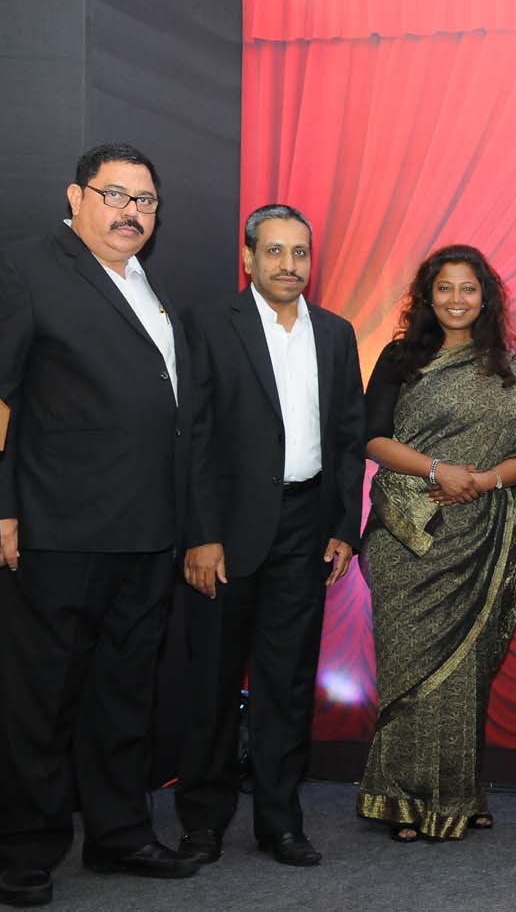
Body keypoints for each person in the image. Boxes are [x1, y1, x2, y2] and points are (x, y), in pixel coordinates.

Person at [0, 142, 199, 906]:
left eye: (145, 200)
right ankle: (24, 852)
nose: (132, 212)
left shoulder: (148, 284)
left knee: (125, 694)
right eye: (115, 194)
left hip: (148, 531)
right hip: (55, 531)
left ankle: (119, 832)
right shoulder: (22, 270)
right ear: (76, 196)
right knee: (40, 697)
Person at [174, 204, 365, 868]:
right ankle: (202, 821)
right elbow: (193, 433)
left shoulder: (336, 333)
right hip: (225, 533)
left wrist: (343, 526)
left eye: (300, 252)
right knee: (212, 682)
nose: (289, 264)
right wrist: (201, 534)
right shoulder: (207, 323)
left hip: (306, 528)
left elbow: (348, 436)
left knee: (287, 683)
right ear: (249, 258)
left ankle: (281, 822)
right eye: (275, 251)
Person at [356, 244, 516, 841]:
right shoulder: (401, 358)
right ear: (427, 297)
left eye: (468, 288)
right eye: (445, 288)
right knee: (412, 672)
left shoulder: (506, 367)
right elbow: (371, 438)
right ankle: (400, 800)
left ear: (485, 298)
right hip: (410, 539)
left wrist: (483, 481)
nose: (456, 299)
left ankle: (459, 793)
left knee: (465, 675)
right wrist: (439, 470)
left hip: (481, 537)